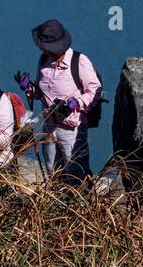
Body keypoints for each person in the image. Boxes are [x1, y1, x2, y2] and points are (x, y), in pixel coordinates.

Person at [28, 19, 99, 184]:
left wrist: (75, 103)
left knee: (75, 171)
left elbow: (94, 90)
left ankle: (81, 204)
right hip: (49, 126)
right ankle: (56, 204)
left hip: (72, 129)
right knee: (51, 169)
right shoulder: (43, 61)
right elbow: (41, 93)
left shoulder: (78, 61)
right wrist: (29, 89)